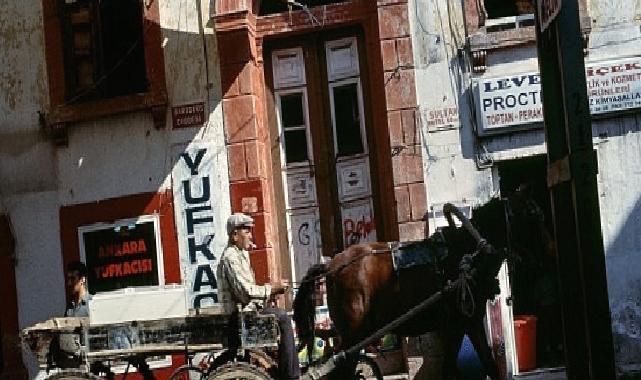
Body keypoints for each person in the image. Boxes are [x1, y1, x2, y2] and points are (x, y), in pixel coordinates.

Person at [217, 213, 300, 380]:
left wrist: (268, 295)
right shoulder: (230, 257)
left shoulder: (241, 254)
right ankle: (291, 375)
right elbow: (245, 292)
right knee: (282, 318)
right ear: (234, 235)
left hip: (246, 312)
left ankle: (285, 367)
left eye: (250, 230)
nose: (250, 235)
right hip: (239, 317)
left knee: (278, 314)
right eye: (246, 231)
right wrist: (271, 289)